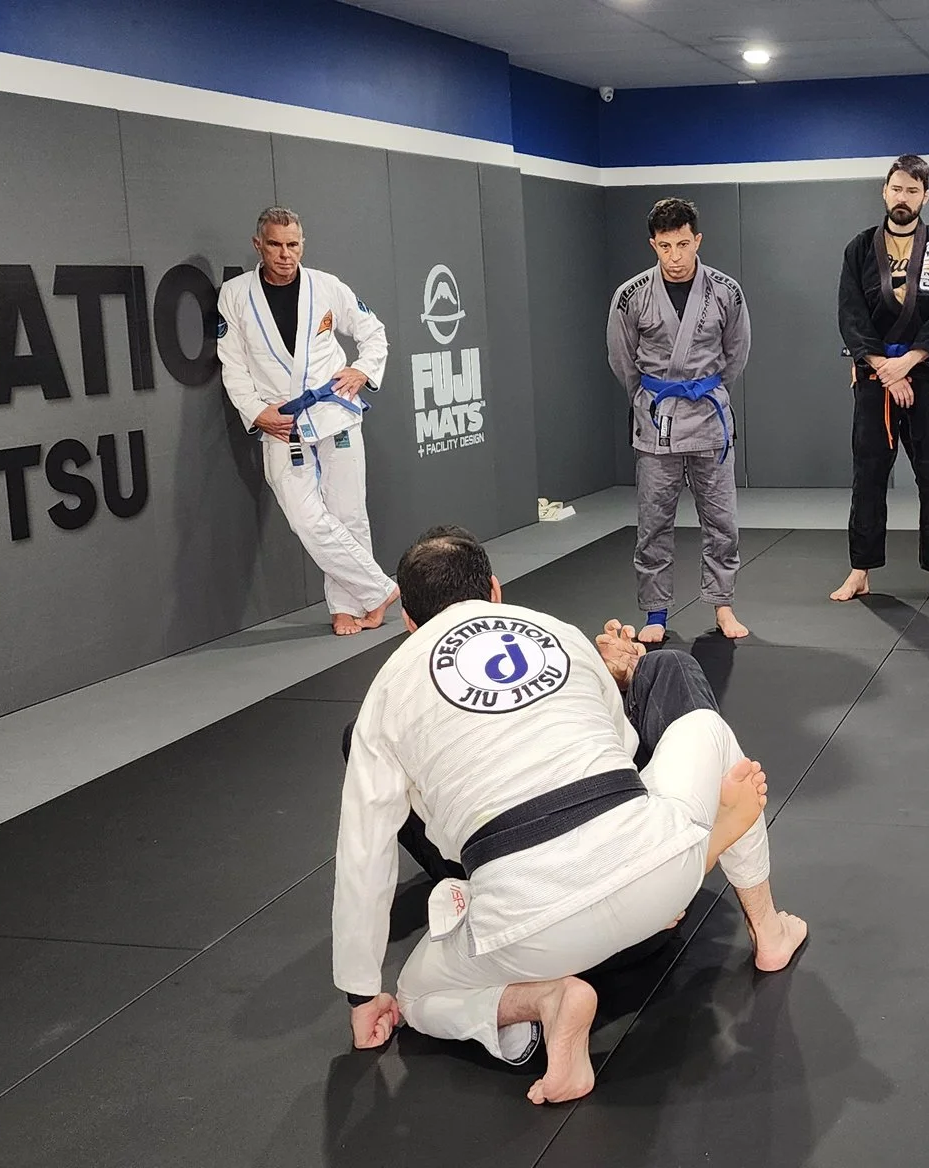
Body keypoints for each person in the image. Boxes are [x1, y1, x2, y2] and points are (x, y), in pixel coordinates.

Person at [334, 527, 809, 1105]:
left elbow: (365, 852)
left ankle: (545, 1001)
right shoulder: (555, 632)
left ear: (407, 620)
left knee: (415, 994)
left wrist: (362, 995)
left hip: (525, 928)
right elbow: (625, 742)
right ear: (494, 589)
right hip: (651, 878)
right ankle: (769, 930)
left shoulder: (386, 691)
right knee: (704, 730)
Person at [216, 206, 398, 636]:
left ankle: (346, 607)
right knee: (305, 518)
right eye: (275, 245)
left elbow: (373, 332)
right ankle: (379, 590)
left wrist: (363, 370)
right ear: (258, 244)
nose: (285, 254)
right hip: (280, 420)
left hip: (334, 412)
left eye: (292, 244)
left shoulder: (327, 287)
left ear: (303, 244)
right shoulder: (235, 295)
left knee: (349, 515)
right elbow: (232, 363)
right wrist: (256, 412)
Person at [608, 198, 754, 645]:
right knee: (654, 522)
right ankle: (656, 612)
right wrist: (646, 398)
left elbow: (737, 352)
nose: (675, 256)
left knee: (721, 520)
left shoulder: (726, 291)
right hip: (657, 421)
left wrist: (709, 390)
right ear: (653, 244)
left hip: (708, 417)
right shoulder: (630, 295)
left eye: (684, 244)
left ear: (698, 241)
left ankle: (723, 605)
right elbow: (622, 359)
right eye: (665, 246)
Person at [832, 154, 929, 604]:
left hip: (926, 374)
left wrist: (908, 362)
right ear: (884, 190)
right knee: (868, 475)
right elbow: (851, 315)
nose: (903, 197)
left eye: (913, 191)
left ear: (925, 196)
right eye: (897, 188)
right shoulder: (859, 248)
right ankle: (860, 570)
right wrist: (884, 369)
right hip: (875, 378)